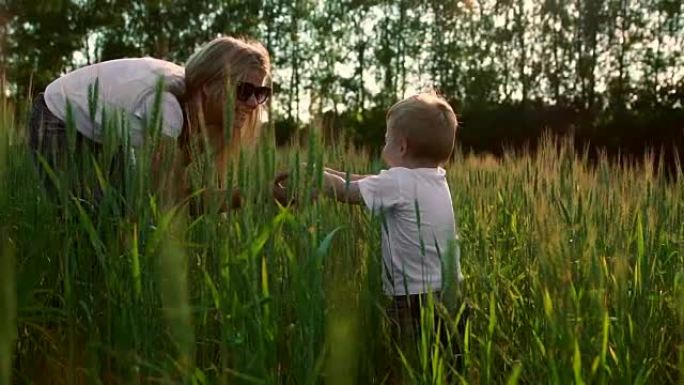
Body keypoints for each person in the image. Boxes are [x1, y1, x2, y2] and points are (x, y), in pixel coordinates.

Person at [28, 35, 286, 209]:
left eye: (260, 93)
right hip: (57, 116)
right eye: (244, 90)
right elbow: (171, 198)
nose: (253, 103)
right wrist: (262, 193)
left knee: (122, 207)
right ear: (209, 87)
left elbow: (178, 193)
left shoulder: (193, 113)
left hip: (103, 130)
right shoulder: (167, 109)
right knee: (89, 216)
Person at [321, 91, 468, 381]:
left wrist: (314, 176)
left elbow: (346, 191)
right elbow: (369, 181)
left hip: (413, 300)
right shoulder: (436, 177)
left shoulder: (397, 182)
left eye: (387, 138)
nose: (383, 143)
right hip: (452, 293)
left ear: (401, 146)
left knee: (409, 368)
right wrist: (327, 170)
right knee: (448, 367)